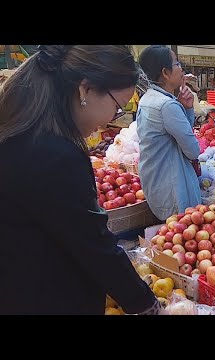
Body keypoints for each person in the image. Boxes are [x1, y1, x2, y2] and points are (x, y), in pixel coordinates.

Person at [0, 45, 160, 315]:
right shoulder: (55, 156)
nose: (113, 118)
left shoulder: (18, 136)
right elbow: (94, 245)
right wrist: (147, 305)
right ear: (85, 89)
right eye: (117, 107)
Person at [136, 45, 201, 222]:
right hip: (173, 187)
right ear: (165, 72)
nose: (181, 69)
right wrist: (182, 109)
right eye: (177, 63)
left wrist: (186, 108)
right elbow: (193, 151)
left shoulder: (148, 99)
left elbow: (176, 135)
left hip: (157, 182)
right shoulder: (167, 106)